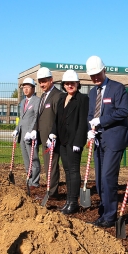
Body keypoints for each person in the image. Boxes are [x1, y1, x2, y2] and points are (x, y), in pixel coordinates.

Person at [86, 56, 128, 228]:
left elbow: (123, 112)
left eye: (97, 74)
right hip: (99, 140)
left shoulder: (117, 88)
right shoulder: (93, 93)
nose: (95, 78)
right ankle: (103, 212)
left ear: (104, 70)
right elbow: (90, 115)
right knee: (100, 179)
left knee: (108, 177)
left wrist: (101, 120)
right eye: (92, 76)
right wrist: (89, 129)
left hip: (114, 139)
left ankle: (110, 216)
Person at [49, 70, 89, 214]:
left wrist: (79, 141)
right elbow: (57, 119)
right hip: (62, 141)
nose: (69, 85)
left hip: (74, 142)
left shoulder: (83, 99)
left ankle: (73, 202)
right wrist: (53, 133)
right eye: (67, 83)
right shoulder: (62, 99)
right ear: (63, 85)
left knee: (73, 171)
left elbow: (83, 122)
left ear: (78, 84)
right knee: (67, 170)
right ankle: (68, 200)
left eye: (72, 83)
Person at [30, 67, 63, 200]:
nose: (42, 84)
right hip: (43, 137)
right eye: (40, 82)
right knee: (47, 165)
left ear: (51, 80)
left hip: (52, 138)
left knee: (52, 165)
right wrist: (35, 130)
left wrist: (53, 134)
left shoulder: (58, 95)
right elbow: (40, 116)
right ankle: (49, 190)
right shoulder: (43, 96)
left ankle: (52, 193)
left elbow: (58, 117)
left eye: (44, 81)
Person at [12, 77, 41, 190]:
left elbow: (36, 117)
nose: (25, 89)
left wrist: (31, 131)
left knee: (33, 159)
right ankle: (29, 180)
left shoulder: (37, 101)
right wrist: (16, 129)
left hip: (31, 135)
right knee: (26, 159)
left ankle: (35, 182)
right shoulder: (23, 102)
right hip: (22, 135)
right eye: (24, 87)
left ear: (33, 88)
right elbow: (21, 118)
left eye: (28, 87)